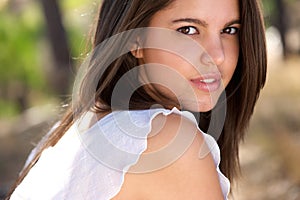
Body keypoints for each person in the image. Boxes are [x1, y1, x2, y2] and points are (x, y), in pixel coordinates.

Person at [7, 0, 267, 199]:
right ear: (134, 37)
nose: (217, 55)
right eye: (188, 29)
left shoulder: (72, 130)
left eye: (229, 29)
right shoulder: (164, 139)